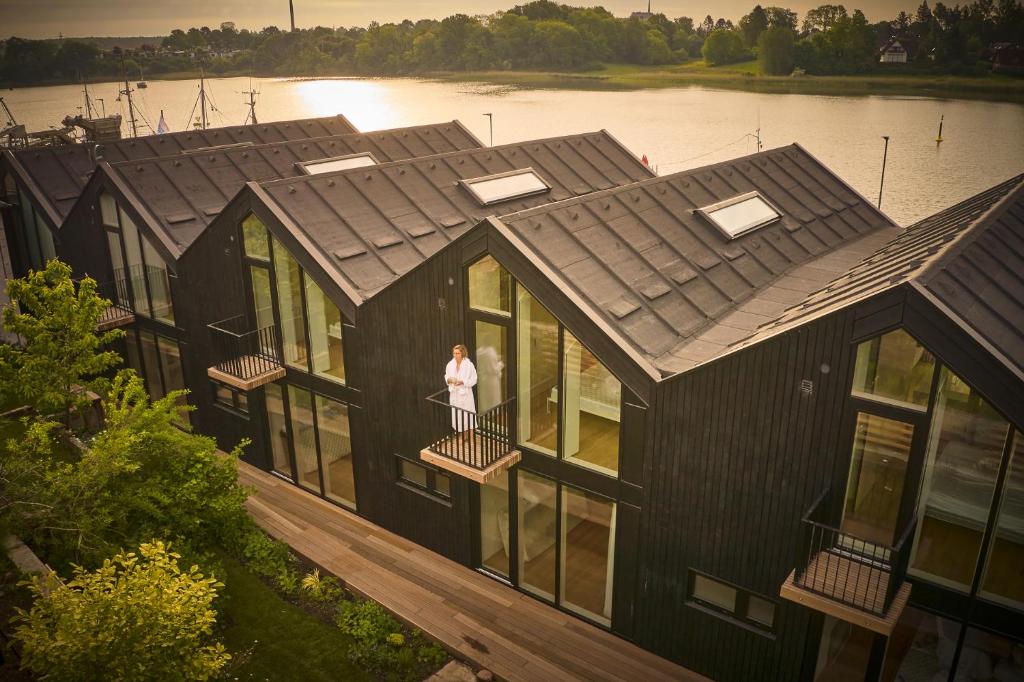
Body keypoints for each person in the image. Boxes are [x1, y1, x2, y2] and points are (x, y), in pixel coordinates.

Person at [445, 344, 477, 432]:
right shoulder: (450, 365)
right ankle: (462, 437)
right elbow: (446, 376)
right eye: (454, 353)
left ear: (462, 353)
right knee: (458, 417)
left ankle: (470, 438)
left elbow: (474, 379)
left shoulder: (469, 365)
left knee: (468, 416)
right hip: (455, 395)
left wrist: (463, 382)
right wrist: (449, 380)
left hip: (465, 395)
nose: (455, 355)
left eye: (457, 353)